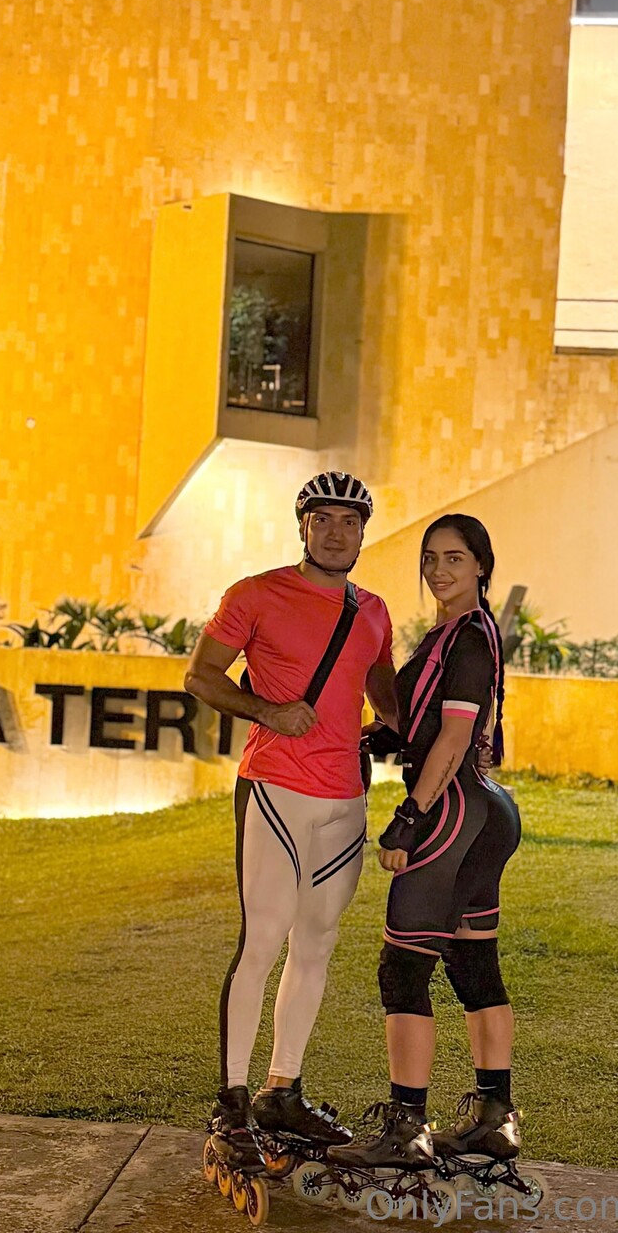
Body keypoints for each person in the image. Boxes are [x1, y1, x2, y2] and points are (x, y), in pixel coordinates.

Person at [185, 471, 398, 1168]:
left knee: (317, 944)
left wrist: (424, 729)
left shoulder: (373, 611)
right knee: (262, 940)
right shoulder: (254, 594)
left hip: (345, 799)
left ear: (362, 533)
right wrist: (268, 711)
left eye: (349, 522)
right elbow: (201, 676)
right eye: (323, 519)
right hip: (274, 788)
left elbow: (386, 697)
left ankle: (282, 1090)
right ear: (302, 526)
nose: (336, 533)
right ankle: (231, 1106)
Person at [329, 513, 523, 1177]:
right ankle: (495, 1119)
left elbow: (455, 737)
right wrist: (372, 736)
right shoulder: (457, 632)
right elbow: (426, 722)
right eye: (431, 558)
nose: (439, 570)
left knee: (403, 969)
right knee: (472, 965)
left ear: (481, 566)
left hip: (453, 810)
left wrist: (411, 818)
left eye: (455, 559)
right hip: (485, 808)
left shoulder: (466, 640)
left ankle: (406, 1129)